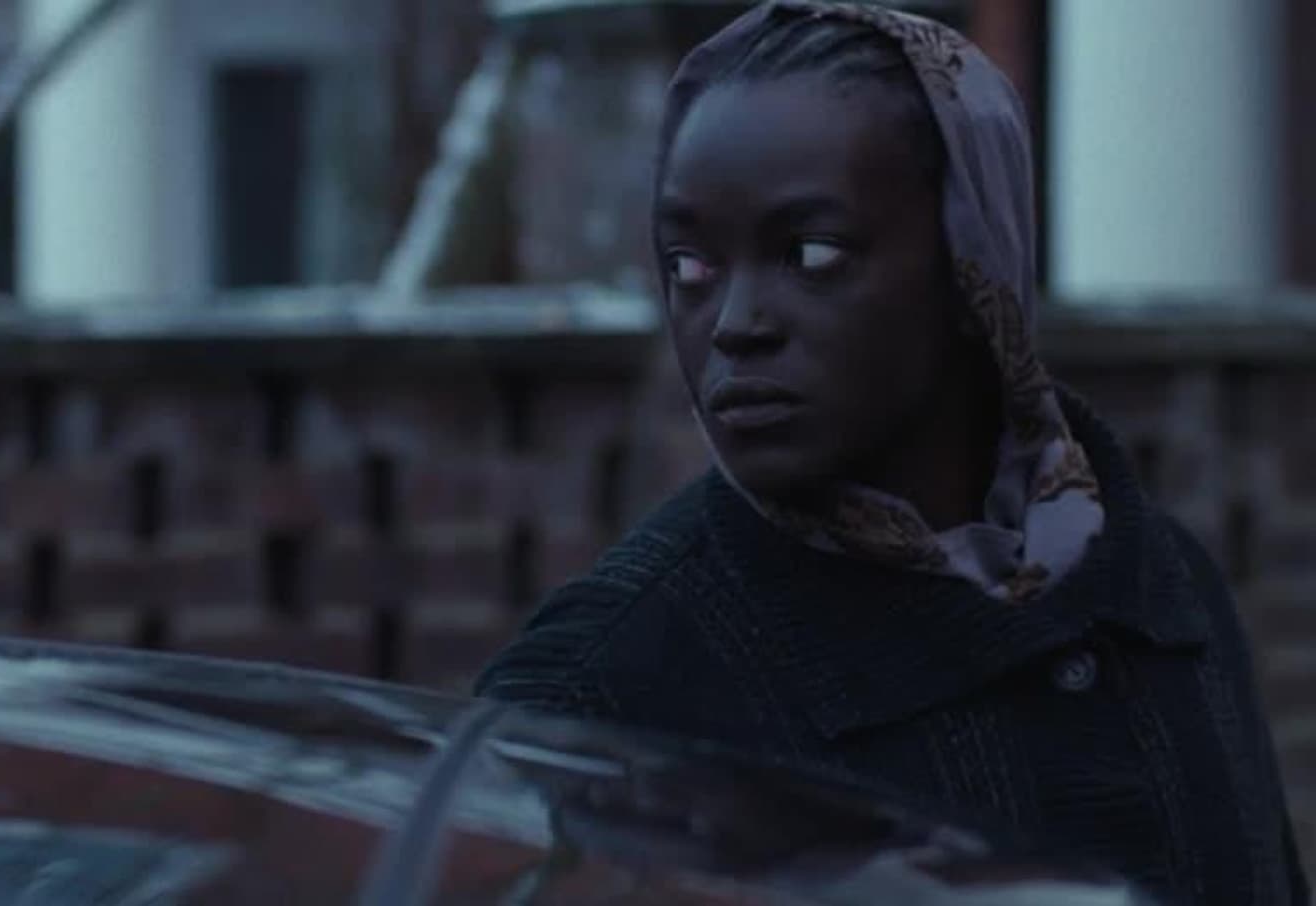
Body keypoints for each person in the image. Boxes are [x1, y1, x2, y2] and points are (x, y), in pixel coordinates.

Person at [474, 2, 1309, 903]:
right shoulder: (603, 692)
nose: (736, 324)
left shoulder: (1163, 588)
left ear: (974, 266)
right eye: (690, 265)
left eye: (811, 252)